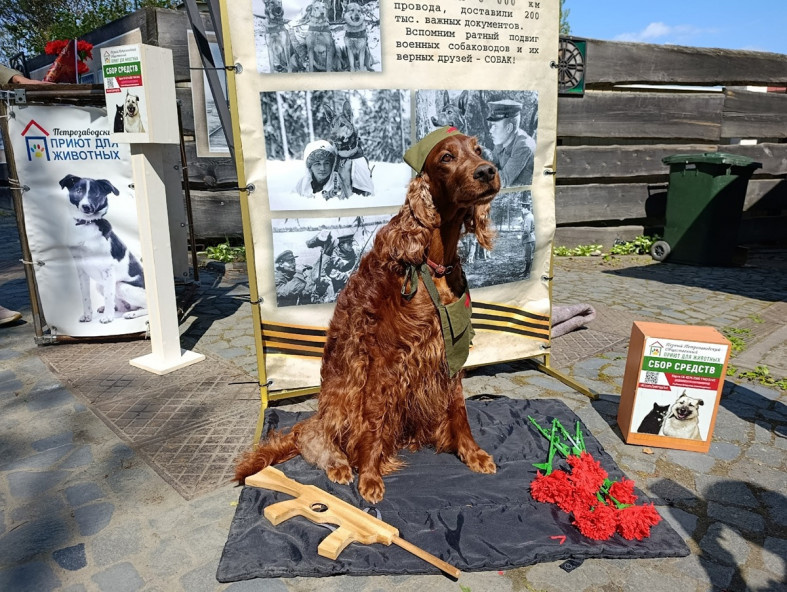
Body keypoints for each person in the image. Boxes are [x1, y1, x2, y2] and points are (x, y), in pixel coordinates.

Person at [486, 99, 535, 188]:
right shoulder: (501, 139)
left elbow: (502, 181)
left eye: (495, 126)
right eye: (491, 126)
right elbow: (492, 162)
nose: (491, 130)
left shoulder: (523, 146)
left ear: (509, 128)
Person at [521, 197, 536, 279]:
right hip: (531, 238)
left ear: (526, 208)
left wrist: (522, 239)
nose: (522, 210)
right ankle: (526, 271)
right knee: (529, 256)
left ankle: (526, 273)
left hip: (528, 240)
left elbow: (526, 231)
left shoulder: (528, 217)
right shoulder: (531, 216)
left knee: (527, 257)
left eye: (523, 209)